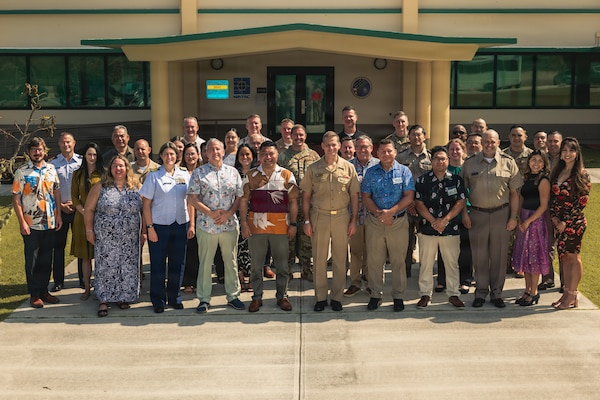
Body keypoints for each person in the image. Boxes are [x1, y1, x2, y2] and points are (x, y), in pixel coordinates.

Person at [461, 129, 523, 308]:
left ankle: (497, 293)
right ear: (482, 143)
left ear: (498, 142)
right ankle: (480, 292)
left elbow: (514, 193)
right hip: (478, 214)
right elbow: (462, 193)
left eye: (492, 141)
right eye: (486, 141)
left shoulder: (508, 162)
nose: (489, 144)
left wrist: (513, 217)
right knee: (479, 255)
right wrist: (465, 213)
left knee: (499, 255)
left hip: (501, 215)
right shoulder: (470, 163)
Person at [301, 131, 359, 312]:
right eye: (328, 145)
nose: (331, 148)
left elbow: (354, 196)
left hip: (342, 217)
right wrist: (307, 221)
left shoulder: (348, 168)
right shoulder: (313, 168)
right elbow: (306, 197)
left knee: (340, 259)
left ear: (339, 146)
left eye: (334, 145)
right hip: (319, 216)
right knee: (319, 258)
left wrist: (353, 220)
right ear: (323, 146)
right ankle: (320, 297)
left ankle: (336, 297)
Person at [187, 138, 245, 313]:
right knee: (205, 263)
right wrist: (210, 213)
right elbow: (192, 198)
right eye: (211, 149)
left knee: (231, 261)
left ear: (223, 151)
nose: (215, 152)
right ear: (206, 153)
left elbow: (239, 196)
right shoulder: (199, 173)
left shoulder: (233, 172)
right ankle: (204, 299)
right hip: (207, 225)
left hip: (229, 225)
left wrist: (228, 213)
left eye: (218, 149)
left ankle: (233, 295)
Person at [240, 141, 299, 312]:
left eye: (271, 153)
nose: (268, 157)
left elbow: (294, 201)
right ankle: (257, 297)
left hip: (280, 227)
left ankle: (282, 296)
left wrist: (293, 224)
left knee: (281, 266)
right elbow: (243, 201)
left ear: (277, 154)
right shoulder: (250, 176)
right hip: (256, 226)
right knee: (256, 266)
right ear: (259, 156)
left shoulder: (287, 175)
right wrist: (244, 223)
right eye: (264, 153)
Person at [84, 155, 143, 317]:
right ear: (110, 169)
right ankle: (104, 300)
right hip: (106, 239)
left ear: (127, 168)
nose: (118, 169)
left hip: (129, 238)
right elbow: (89, 209)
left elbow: (145, 209)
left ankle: (124, 297)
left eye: (121, 166)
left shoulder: (136, 186)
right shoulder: (100, 187)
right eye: (115, 166)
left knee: (127, 266)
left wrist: (144, 231)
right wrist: (89, 231)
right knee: (106, 267)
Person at [362, 138, 414, 311]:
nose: (386, 154)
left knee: (398, 261)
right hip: (375, 222)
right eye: (382, 151)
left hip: (398, 222)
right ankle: (376, 295)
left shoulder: (404, 171)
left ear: (395, 152)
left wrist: (390, 212)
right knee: (374, 261)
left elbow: (408, 196)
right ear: (377, 154)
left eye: (389, 151)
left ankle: (398, 296)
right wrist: (380, 214)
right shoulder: (371, 172)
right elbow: (366, 197)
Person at [140, 142, 191, 313]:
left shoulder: (184, 174)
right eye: (166, 154)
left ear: (177, 156)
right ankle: (158, 300)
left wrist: (191, 223)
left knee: (178, 264)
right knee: (158, 265)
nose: (170, 157)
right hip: (159, 226)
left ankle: (174, 297)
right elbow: (146, 204)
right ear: (160, 156)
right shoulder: (154, 176)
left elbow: (191, 199)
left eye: (173, 154)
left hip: (180, 224)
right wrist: (149, 227)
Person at [12, 137, 62, 309]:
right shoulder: (22, 172)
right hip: (30, 224)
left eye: (40, 149)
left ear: (44, 150)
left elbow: (56, 192)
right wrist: (21, 223)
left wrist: (59, 217)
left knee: (46, 260)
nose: (37, 152)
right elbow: (16, 199)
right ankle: (34, 294)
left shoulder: (51, 169)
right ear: (28, 152)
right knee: (32, 261)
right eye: (33, 149)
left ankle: (43, 291)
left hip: (49, 222)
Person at [414, 146, 467, 308]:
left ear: (448, 160)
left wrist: (444, 220)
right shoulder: (423, 181)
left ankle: (453, 294)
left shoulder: (456, 180)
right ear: (431, 161)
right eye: (436, 158)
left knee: (451, 264)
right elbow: (418, 203)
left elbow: (461, 201)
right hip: (427, 229)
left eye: (443, 158)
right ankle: (425, 294)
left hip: (450, 229)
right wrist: (433, 221)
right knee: (426, 264)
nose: (440, 161)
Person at [549, 137, 590, 310]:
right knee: (564, 258)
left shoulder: (582, 174)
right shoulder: (558, 171)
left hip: (574, 223)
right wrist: (554, 218)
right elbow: (553, 198)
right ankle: (566, 293)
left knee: (573, 257)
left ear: (577, 153)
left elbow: (581, 202)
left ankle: (573, 295)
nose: (567, 154)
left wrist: (565, 222)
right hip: (558, 223)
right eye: (564, 150)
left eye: (571, 150)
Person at [278, 124, 320, 282]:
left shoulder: (314, 155)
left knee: (307, 238)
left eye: (301, 135)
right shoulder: (283, 157)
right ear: (291, 136)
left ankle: (306, 269)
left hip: (309, 204)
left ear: (305, 136)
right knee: (288, 239)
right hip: (290, 205)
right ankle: (287, 270)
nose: (298, 138)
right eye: (295, 135)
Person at [512, 150, 551, 306]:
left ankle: (534, 292)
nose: (536, 163)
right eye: (533, 159)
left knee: (533, 258)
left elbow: (543, 206)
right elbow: (521, 198)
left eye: (539, 161)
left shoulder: (543, 180)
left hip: (535, 221)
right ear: (528, 162)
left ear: (544, 164)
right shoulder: (527, 178)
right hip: (524, 219)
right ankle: (527, 290)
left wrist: (528, 221)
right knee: (524, 257)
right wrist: (519, 218)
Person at [436, 139, 472, 295]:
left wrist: (465, 213)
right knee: (444, 249)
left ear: (464, 151)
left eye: (458, 149)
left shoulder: (469, 169)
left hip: (466, 214)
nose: (455, 152)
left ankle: (465, 280)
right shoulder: (444, 170)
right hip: (446, 215)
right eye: (452, 149)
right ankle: (442, 280)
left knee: (465, 249)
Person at [345, 135, 379, 297]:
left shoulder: (379, 165)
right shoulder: (348, 166)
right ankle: (355, 283)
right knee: (356, 252)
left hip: (374, 218)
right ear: (355, 149)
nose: (363, 150)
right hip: (355, 217)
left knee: (373, 253)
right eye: (359, 147)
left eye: (366, 147)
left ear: (372, 148)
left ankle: (372, 284)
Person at [396, 124, 432, 277]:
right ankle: (405, 271)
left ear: (424, 136)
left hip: (425, 207)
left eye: (419, 134)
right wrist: (408, 201)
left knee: (426, 242)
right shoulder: (401, 157)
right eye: (413, 135)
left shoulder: (431, 157)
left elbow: (433, 183)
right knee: (405, 242)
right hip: (406, 206)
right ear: (408, 137)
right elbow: (396, 181)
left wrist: (419, 202)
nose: (416, 138)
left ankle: (426, 271)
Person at [50, 132, 82, 292]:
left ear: (74, 143)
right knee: (58, 247)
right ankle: (58, 281)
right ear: (59, 144)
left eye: (68, 142)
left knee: (81, 246)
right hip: (60, 211)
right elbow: (49, 188)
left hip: (78, 210)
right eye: (63, 142)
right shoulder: (53, 164)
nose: (66, 145)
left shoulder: (81, 162)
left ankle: (83, 279)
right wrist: (60, 205)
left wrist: (77, 203)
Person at [71, 143, 103, 300]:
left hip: (100, 218)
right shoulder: (77, 174)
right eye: (89, 154)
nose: (92, 157)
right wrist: (84, 212)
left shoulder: (103, 174)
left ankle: (101, 287)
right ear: (85, 156)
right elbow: (73, 197)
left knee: (101, 255)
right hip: (81, 218)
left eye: (95, 155)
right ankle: (86, 288)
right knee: (85, 256)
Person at [539, 130, 563, 291]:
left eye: (556, 141)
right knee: (546, 244)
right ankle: (547, 278)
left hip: (564, 208)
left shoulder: (566, 160)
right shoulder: (542, 160)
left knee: (564, 246)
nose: (553, 144)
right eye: (550, 141)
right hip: (546, 208)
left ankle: (566, 282)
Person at [234, 144, 259, 290]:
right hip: (236, 215)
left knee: (253, 249)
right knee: (238, 248)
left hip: (255, 216)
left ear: (253, 157)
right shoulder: (232, 173)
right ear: (238, 157)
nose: (245, 157)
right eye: (242, 155)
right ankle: (240, 278)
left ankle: (251, 279)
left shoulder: (258, 173)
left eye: (248, 154)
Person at [181, 143, 202, 294]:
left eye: (193, 153)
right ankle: (188, 282)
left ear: (198, 155)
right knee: (189, 251)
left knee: (202, 251)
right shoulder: (179, 173)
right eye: (187, 154)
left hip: (203, 215)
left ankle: (201, 281)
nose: (190, 157)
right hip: (185, 216)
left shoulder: (203, 171)